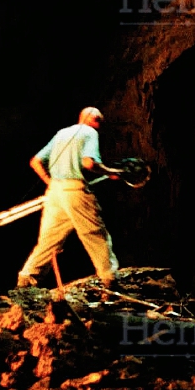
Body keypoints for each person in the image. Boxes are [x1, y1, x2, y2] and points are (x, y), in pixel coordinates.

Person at [16, 107, 121, 289]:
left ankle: (26, 279)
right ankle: (109, 279)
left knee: (49, 239)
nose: (99, 129)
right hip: (75, 190)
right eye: (99, 124)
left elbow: (35, 161)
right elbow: (89, 163)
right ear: (94, 120)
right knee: (95, 233)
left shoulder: (62, 133)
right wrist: (110, 172)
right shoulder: (89, 133)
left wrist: (50, 182)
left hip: (55, 192)